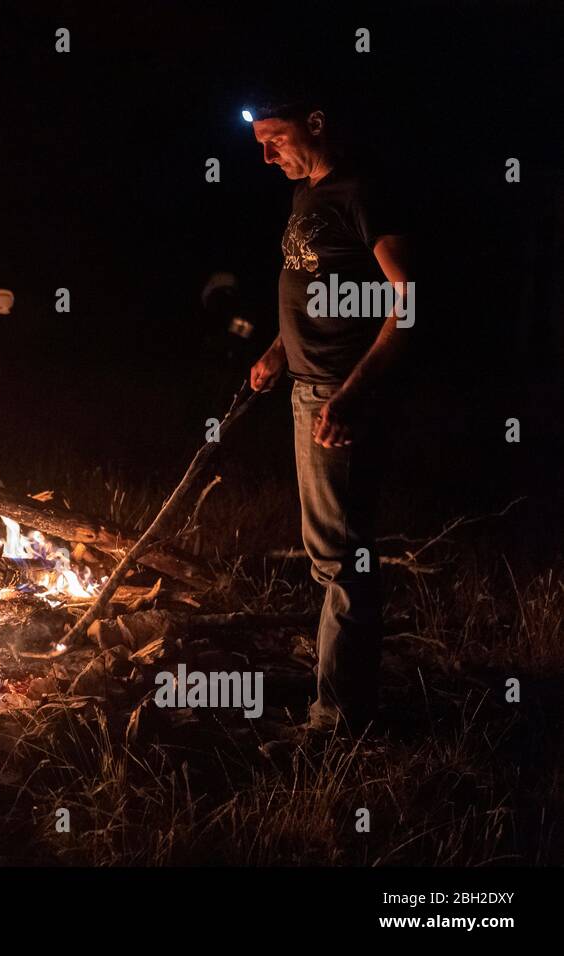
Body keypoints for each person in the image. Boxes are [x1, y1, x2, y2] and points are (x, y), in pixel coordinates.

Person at [247, 94, 414, 737]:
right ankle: (339, 701)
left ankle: (339, 721)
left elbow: (411, 304)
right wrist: (277, 349)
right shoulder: (307, 194)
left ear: (317, 121)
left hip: (339, 398)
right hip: (308, 388)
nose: (267, 155)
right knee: (332, 553)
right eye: (259, 142)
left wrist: (352, 395)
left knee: (343, 559)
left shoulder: (364, 192)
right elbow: (317, 283)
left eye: (277, 137)